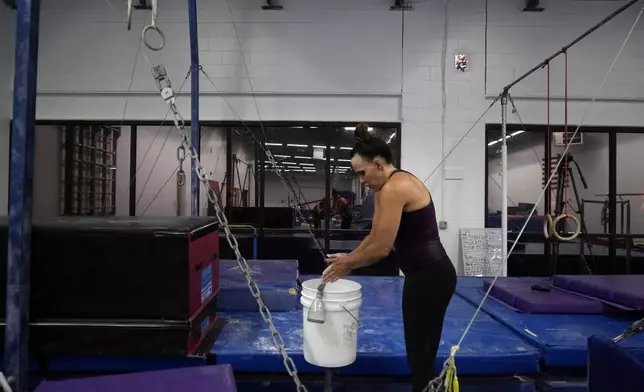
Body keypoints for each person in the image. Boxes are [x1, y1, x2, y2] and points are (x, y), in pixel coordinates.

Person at [321, 123, 457, 392]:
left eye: (362, 173)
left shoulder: (397, 188)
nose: (361, 180)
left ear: (379, 164)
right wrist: (350, 256)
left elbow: (383, 249)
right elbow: (374, 236)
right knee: (417, 350)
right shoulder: (384, 188)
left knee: (421, 352)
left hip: (433, 276)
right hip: (421, 276)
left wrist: (349, 264)